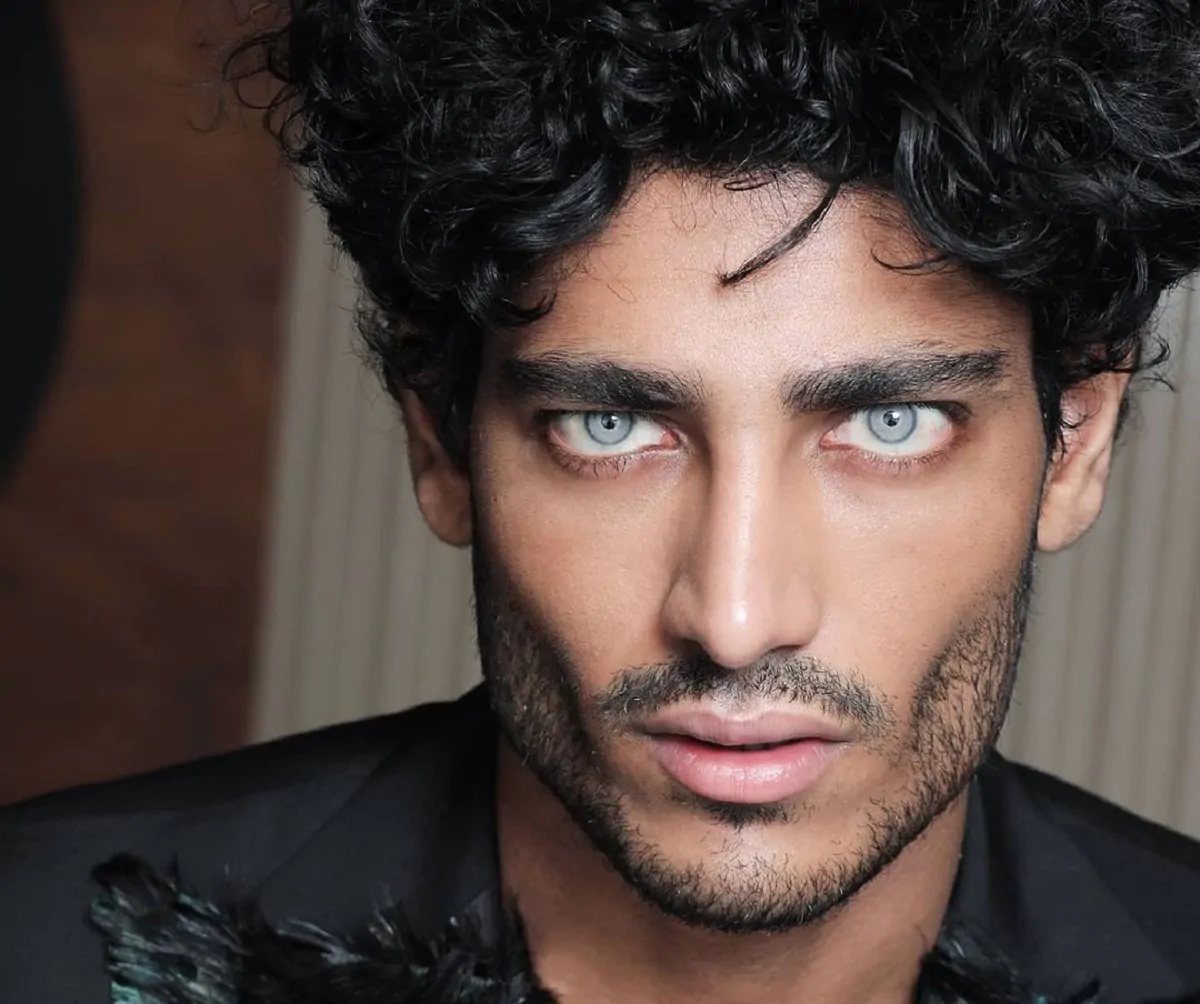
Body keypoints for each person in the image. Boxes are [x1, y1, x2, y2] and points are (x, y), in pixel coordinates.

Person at [3, 2, 1200, 1001]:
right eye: (609, 427)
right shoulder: (35, 945)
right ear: (441, 440)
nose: (735, 617)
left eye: (892, 425)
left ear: (1074, 443)